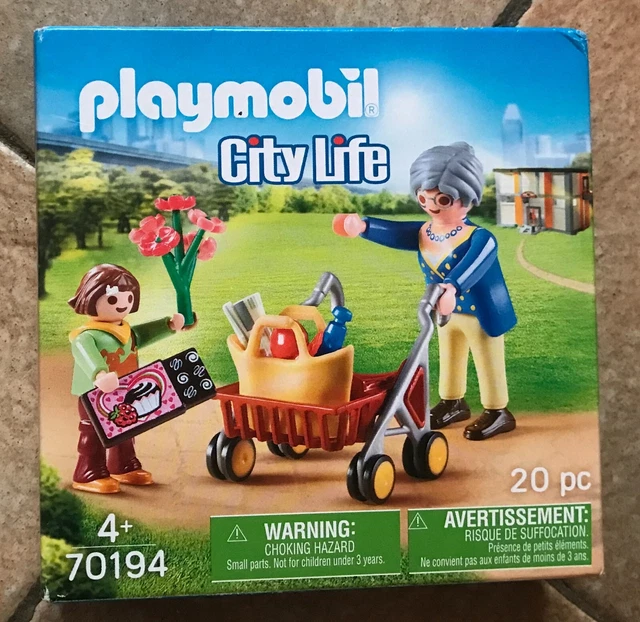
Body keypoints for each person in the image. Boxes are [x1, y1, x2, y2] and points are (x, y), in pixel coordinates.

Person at [333, 142, 517, 440]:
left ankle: (498, 410)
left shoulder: (481, 238)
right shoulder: (425, 232)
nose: (431, 205)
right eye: (424, 197)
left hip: (481, 312)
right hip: (444, 312)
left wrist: (452, 287)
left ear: (468, 197)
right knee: (449, 355)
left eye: (442, 199)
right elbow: (395, 232)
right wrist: (364, 226)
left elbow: (473, 265)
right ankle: (452, 401)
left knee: (487, 359)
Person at [68, 264, 184, 493]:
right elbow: (85, 354)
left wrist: (169, 326)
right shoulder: (86, 336)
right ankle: (88, 471)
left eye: (129, 298)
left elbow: (143, 334)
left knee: (127, 426)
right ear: (91, 298)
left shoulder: (126, 331)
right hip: (95, 394)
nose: (123, 304)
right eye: (113, 299)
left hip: (125, 390)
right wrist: (99, 373)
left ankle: (122, 464)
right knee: (93, 431)